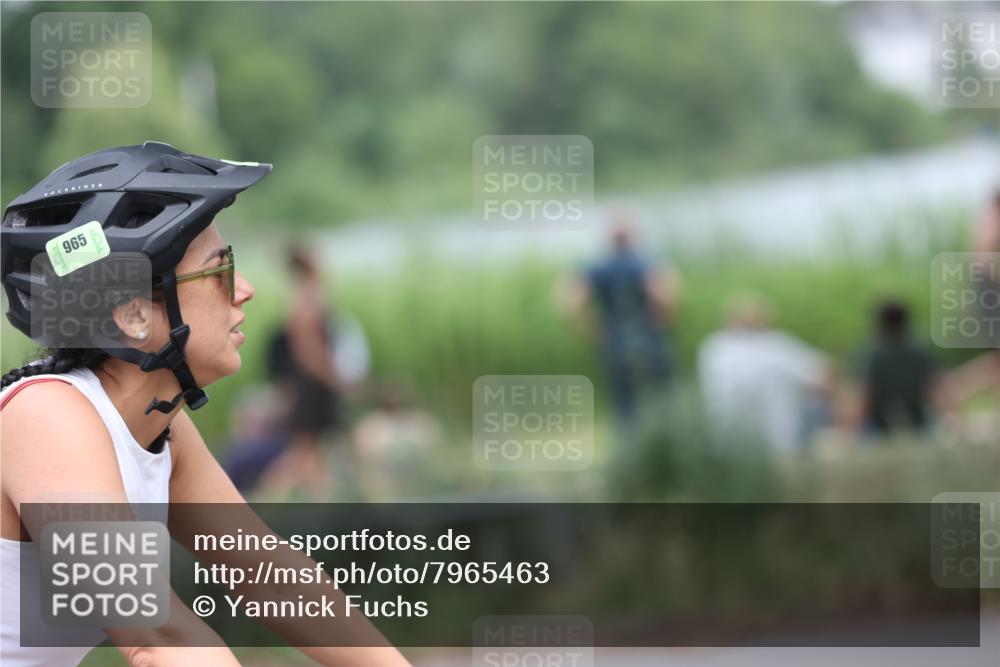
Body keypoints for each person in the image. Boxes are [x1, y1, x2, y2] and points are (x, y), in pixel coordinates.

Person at [0, 142, 411, 667]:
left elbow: (272, 579)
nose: (245, 290)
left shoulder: (156, 429)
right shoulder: (46, 420)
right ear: (132, 315)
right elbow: (157, 636)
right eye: (220, 271)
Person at [554, 211, 680, 430]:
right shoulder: (647, 261)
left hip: (615, 341)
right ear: (633, 235)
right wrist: (663, 321)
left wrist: (589, 327)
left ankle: (629, 451)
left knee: (624, 404)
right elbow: (667, 296)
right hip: (650, 339)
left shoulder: (596, 267)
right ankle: (665, 443)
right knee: (663, 398)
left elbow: (568, 304)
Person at [697, 292, 833, 454]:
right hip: (779, 445)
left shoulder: (712, 347)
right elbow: (824, 376)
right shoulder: (774, 346)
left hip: (725, 444)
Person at [256, 247, 342, 499]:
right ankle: (268, 498)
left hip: (308, 380)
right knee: (303, 449)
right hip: (311, 382)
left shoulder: (303, 295)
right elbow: (308, 348)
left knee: (309, 450)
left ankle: (319, 499)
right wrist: (333, 378)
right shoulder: (308, 298)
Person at [857, 300, 937, 435]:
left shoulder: (876, 355)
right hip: (916, 423)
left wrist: (858, 425)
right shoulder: (920, 352)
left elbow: (869, 393)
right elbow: (933, 387)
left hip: (881, 425)